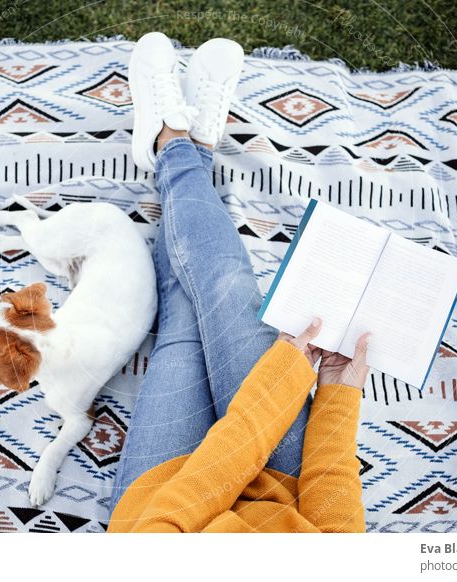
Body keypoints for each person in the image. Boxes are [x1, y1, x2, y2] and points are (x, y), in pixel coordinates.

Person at [108, 32, 371, 533]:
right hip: (284, 489)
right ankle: (187, 153)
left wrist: (284, 380)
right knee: (225, 285)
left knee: (187, 316)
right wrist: (337, 394)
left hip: (163, 502)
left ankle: (175, 147)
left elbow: (179, 509)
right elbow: (339, 534)